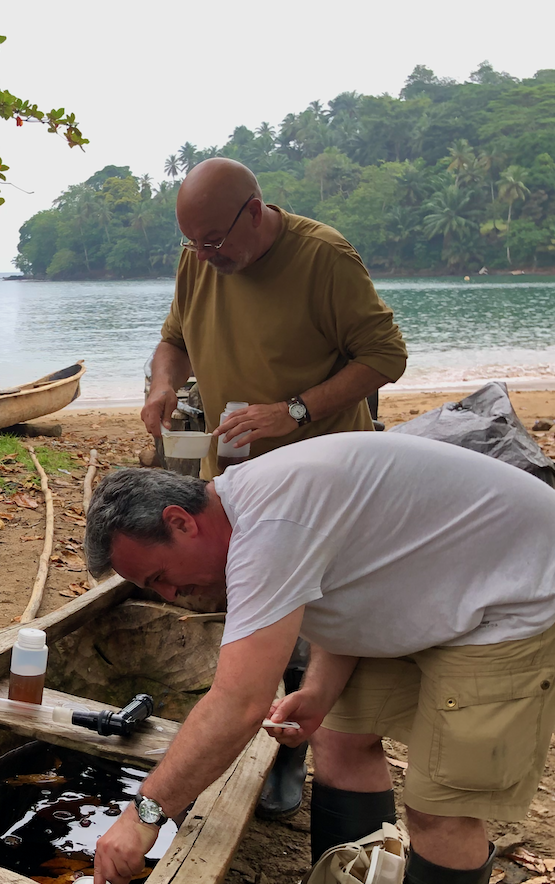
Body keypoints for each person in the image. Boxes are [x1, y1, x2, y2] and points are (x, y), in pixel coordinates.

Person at [83, 434, 555, 884]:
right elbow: (352, 579)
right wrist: (322, 690)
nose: (171, 597)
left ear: (181, 522)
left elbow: (237, 702)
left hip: (523, 590)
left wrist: (145, 814)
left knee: (441, 804)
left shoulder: (270, 523)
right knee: (338, 740)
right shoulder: (252, 515)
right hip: (437, 581)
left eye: (160, 578)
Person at [141, 157, 409, 819]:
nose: (205, 258)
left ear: (255, 212)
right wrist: (163, 384)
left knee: (322, 622)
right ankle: (248, 741)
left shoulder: (324, 259)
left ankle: (296, 751)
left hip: (324, 478)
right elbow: (174, 338)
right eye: (193, 245)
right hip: (237, 481)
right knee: (254, 618)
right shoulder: (198, 260)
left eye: (215, 243)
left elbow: (387, 356)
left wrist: (291, 410)